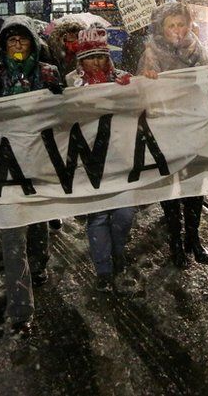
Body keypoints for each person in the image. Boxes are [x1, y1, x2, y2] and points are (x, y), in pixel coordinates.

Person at [0, 16, 61, 339]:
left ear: (32, 43)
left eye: (22, 40)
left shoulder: (48, 73)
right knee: (12, 237)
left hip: (39, 162)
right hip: (5, 164)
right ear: (2, 46)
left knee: (38, 222)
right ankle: (21, 310)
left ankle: (40, 264)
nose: (16, 45)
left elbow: (65, 113)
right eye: (10, 41)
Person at [139, 2, 208, 268]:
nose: (177, 30)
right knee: (172, 187)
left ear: (189, 25)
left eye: (181, 24)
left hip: (193, 125)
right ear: (162, 28)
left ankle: (193, 237)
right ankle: (176, 242)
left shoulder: (197, 48)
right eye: (171, 25)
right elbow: (140, 91)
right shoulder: (150, 52)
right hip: (167, 127)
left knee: (195, 186)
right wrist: (147, 77)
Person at [72, 27, 137, 291]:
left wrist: (134, 89)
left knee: (124, 214)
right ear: (80, 61)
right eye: (90, 57)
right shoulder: (70, 84)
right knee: (98, 216)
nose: (97, 62)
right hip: (91, 162)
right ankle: (104, 269)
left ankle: (117, 250)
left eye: (101, 56)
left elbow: (142, 105)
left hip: (121, 157)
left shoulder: (123, 78)